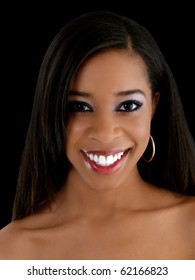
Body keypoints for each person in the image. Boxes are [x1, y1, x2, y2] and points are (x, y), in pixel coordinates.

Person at [0, 10, 195, 260]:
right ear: (52, 111)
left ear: (154, 107)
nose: (104, 133)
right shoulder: (11, 251)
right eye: (80, 107)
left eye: (127, 106)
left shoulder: (190, 228)